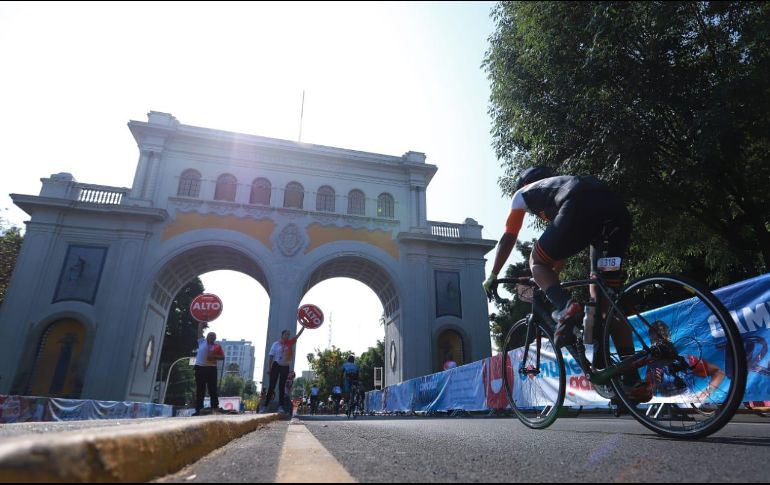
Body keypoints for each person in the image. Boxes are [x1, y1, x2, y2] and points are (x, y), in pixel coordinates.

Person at [482, 166, 648, 399]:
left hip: (580, 204)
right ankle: (633, 379)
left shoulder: (523, 194)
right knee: (606, 300)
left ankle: (565, 306)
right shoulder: (560, 187)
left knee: (535, 260)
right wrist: (549, 280)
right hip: (614, 212)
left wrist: (493, 274)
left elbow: (510, 236)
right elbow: (560, 255)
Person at [643, 321, 726, 402]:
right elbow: (648, 393)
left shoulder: (687, 360)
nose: (660, 342)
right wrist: (654, 383)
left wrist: (706, 393)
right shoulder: (651, 365)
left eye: (662, 337)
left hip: (687, 402)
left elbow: (719, 373)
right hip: (667, 404)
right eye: (656, 338)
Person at [263, 327, 305, 413]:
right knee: (272, 386)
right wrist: (269, 368)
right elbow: (271, 356)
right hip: (276, 365)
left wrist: (304, 326)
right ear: (282, 335)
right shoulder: (275, 344)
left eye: (288, 335)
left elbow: (298, 336)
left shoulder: (290, 343)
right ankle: (265, 406)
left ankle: (280, 407)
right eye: (286, 334)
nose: (287, 336)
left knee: (282, 387)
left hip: (285, 367)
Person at [193, 321, 225, 416]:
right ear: (207, 337)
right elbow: (199, 331)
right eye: (210, 336)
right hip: (200, 368)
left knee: (213, 389)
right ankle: (199, 409)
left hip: (211, 369)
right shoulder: (201, 342)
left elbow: (222, 357)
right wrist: (200, 323)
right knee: (200, 389)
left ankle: (214, 407)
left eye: (213, 337)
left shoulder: (217, 346)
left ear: (215, 338)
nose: (212, 338)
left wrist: (214, 356)